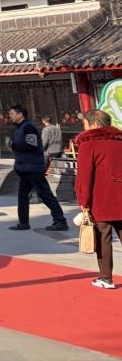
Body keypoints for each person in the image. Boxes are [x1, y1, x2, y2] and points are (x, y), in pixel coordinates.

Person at [74, 108, 122, 289]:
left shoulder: (89, 144)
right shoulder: (119, 142)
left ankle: (106, 278)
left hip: (101, 198)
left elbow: (84, 177)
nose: (84, 127)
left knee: (103, 237)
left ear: (93, 124)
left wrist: (83, 201)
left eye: (85, 123)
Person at [7, 103, 68, 232]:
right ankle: (23, 223)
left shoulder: (28, 127)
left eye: (12, 113)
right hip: (24, 168)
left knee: (45, 194)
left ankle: (60, 221)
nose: (10, 116)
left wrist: (14, 145)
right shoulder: (19, 128)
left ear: (20, 114)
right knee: (22, 196)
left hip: (33, 168)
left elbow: (32, 145)